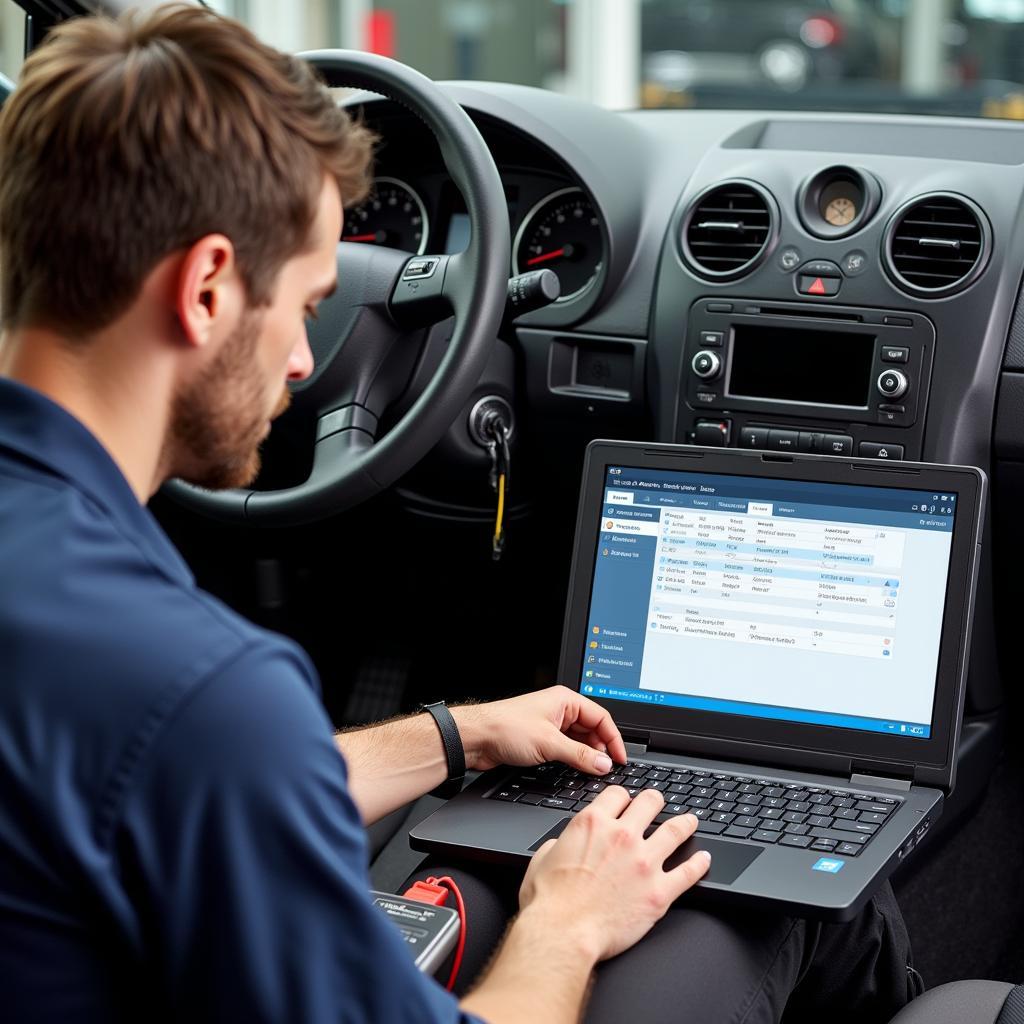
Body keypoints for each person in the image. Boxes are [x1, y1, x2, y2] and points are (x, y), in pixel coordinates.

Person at [0, 5, 920, 1023]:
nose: (308, 362)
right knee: (770, 898)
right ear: (208, 287)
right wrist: (566, 920)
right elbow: (202, 750)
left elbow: (167, 780)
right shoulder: (201, 689)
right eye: (309, 305)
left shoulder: (116, 655)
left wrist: (453, 736)